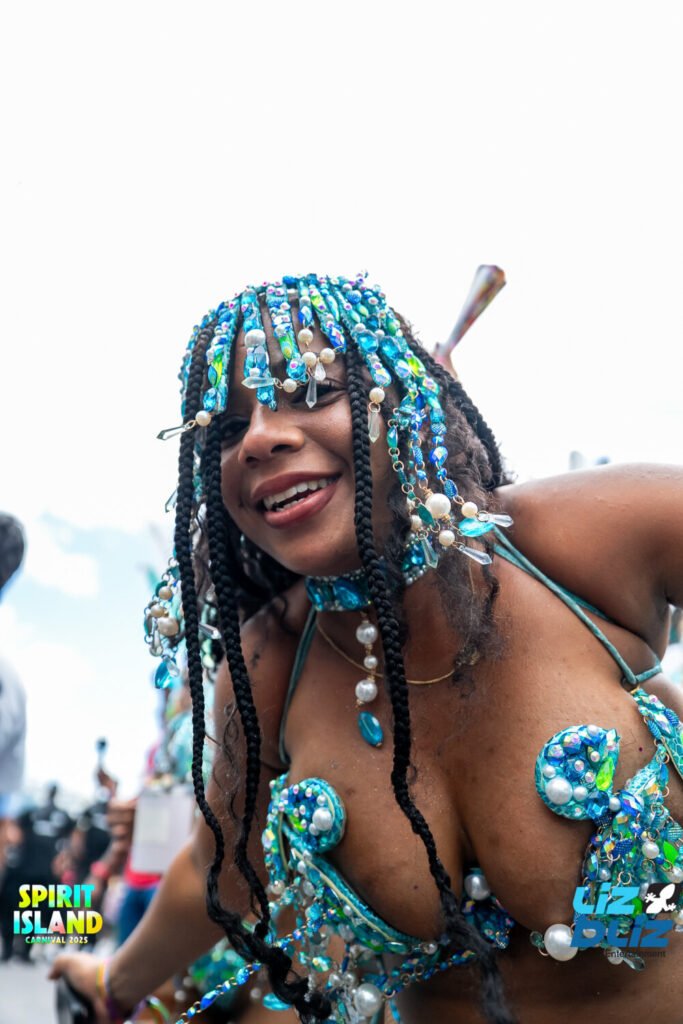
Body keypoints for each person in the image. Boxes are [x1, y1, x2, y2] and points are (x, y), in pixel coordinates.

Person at [51, 274, 683, 1023]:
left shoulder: (587, 542)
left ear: (405, 399)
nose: (259, 438)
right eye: (226, 428)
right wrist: (114, 985)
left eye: (313, 390)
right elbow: (219, 872)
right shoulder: (268, 671)